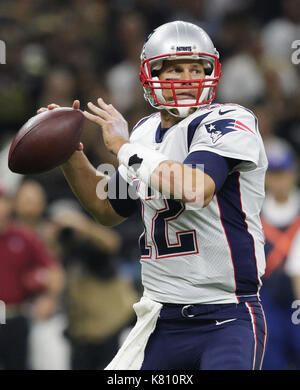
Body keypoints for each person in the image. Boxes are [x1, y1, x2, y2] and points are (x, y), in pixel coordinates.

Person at [37, 21, 268, 370]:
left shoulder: (229, 119)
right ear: (151, 75)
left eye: (196, 68)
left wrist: (124, 148)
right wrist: (70, 154)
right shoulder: (144, 133)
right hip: (160, 318)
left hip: (227, 314)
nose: (188, 78)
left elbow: (196, 188)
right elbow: (107, 209)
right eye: (176, 69)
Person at [0, 182, 62, 370]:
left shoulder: (23, 237)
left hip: (15, 318)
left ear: (9, 204)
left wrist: (49, 298)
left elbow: (54, 271)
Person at [260, 138, 300, 370]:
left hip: (297, 300)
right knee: (270, 358)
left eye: (283, 172)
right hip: (268, 300)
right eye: (273, 174)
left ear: (293, 173)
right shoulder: (255, 212)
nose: (279, 180)